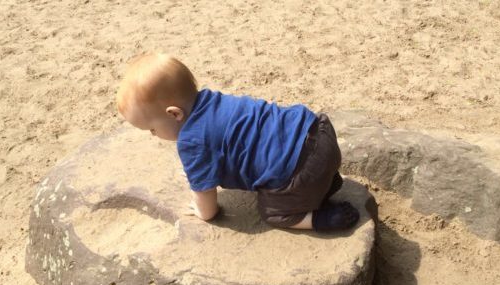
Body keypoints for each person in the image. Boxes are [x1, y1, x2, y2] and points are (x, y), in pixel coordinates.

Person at [116, 53, 359, 232]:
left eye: (152, 129)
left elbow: (208, 208)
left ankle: (322, 219)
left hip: (299, 171)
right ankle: (327, 183)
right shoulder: (212, 99)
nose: (153, 135)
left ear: (174, 114)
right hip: (319, 132)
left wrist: (201, 210)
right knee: (306, 169)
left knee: (272, 213)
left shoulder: (191, 142)